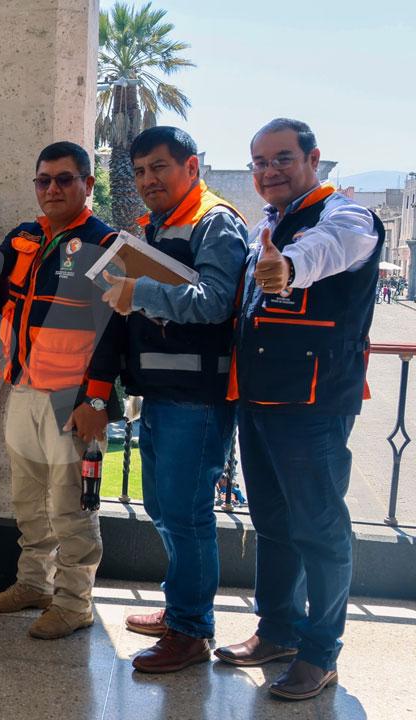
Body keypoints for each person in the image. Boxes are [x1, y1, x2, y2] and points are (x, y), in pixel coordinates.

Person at [216, 118, 382, 701]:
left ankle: (320, 653)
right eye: (259, 162)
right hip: (258, 397)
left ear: (313, 159)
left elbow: (324, 251)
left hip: (313, 402)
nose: (269, 171)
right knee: (273, 525)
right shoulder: (267, 223)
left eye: (282, 158)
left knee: (320, 529)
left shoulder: (347, 216)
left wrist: (286, 267)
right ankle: (277, 632)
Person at [97, 126, 248, 673]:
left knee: (185, 513)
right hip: (163, 391)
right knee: (164, 507)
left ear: (191, 167)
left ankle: (191, 630)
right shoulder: (160, 225)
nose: (147, 180)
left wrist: (138, 291)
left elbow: (214, 301)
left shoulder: (216, 222)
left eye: (159, 167)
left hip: (198, 396)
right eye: (139, 171)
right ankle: (181, 608)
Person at [0, 142, 125, 639]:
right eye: (44, 180)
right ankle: (34, 584)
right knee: (27, 500)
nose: (52, 189)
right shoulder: (24, 237)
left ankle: (75, 603)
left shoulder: (106, 244)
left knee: (71, 507)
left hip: (73, 400)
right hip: (22, 387)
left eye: (64, 179)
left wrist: (96, 400)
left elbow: (115, 332)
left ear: (88, 184)